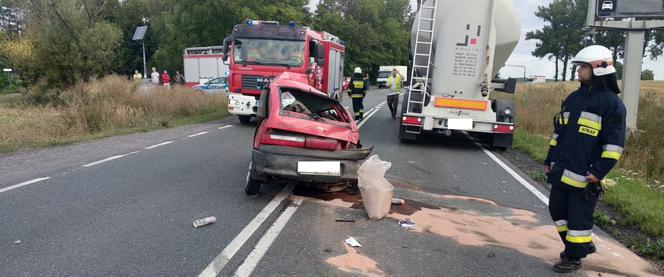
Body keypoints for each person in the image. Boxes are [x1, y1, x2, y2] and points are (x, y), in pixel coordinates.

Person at [544, 45, 626, 273]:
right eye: (579, 67)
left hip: (585, 175)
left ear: (598, 69)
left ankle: (573, 256)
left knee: (578, 220)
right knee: (557, 212)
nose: (578, 71)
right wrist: (549, 159)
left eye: (582, 67)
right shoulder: (573, 98)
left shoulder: (612, 104)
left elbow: (614, 145)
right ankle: (580, 245)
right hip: (562, 169)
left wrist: (598, 172)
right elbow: (559, 133)